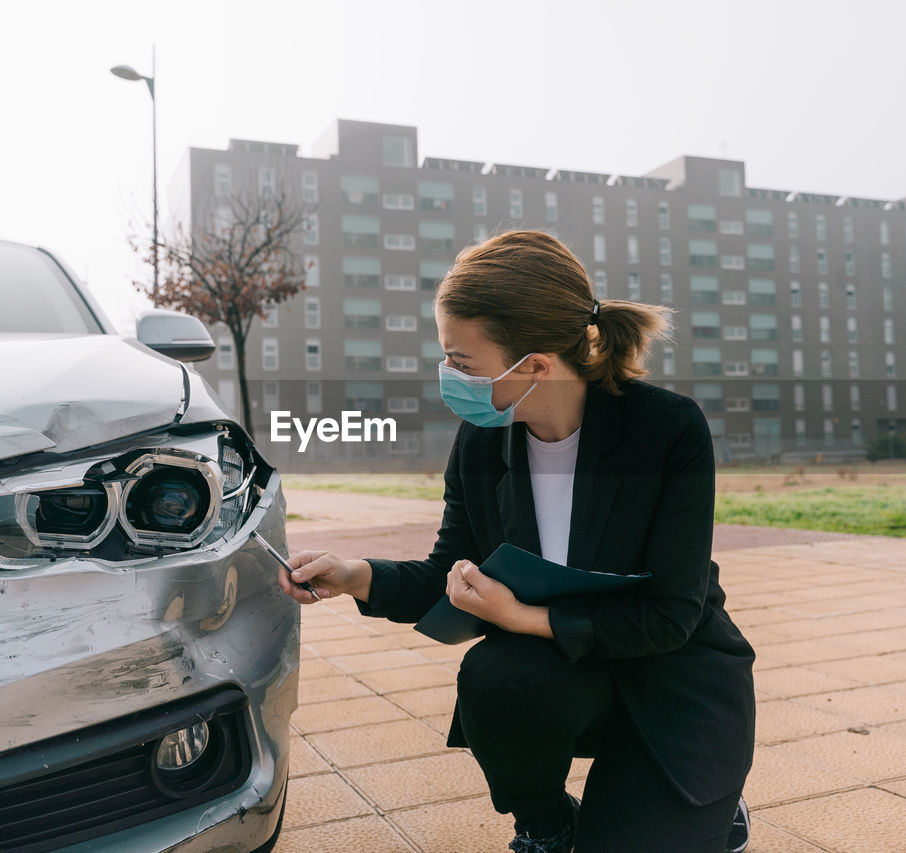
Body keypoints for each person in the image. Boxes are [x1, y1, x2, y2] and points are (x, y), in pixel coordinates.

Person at [278, 229, 756, 852]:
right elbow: (453, 571)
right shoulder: (481, 443)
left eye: (461, 361)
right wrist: (356, 575)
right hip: (566, 678)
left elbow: (669, 618)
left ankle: (704, 800)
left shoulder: (666, 430)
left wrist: (523, 617)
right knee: (497, 677)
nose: (448, 375)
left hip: (674, 675)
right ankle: (546, 823)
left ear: (533, 366)